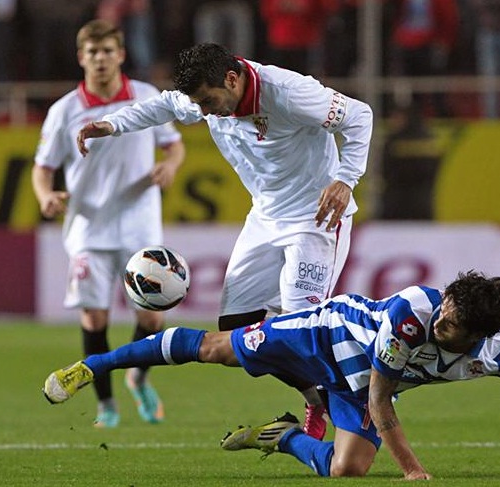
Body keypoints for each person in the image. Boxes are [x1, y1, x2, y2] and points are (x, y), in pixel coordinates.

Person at [43, 271, 500, 480]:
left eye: (453, 325)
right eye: (446, 309)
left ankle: (281, 436)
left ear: (478, 338)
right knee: (216, 350)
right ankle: (90, 366)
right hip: (322, 334)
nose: (441, 322)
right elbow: (383, 400)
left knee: (347, 470)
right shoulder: (412, 315)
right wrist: (413, 469)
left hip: (357, 382)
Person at [76, 42, 373, 439]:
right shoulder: (206, 97)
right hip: (264, 217)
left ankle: (358, 408)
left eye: (207, 102)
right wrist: (112, 125)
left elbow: (359, 115)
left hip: (315, 219)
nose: (203, 111)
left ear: (232, 79)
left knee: (299, 328)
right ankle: (314, 397)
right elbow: (164, 105)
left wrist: (345, 179)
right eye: (198, 104)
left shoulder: (288, 92)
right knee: (237, 327)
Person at [32, 19, 186, 428]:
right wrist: (45, 195)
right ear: (81, 58)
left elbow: (174, 145)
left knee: (152, 318)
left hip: (140, 224)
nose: (100, 59)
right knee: (94, 320)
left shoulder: (146, 97)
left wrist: (170, 165)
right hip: (89, 227)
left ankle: (138, 376)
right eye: (92, 52)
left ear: (120, 55)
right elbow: (42, 167)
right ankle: (106, 404)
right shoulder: (64, 110)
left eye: (107, 51)